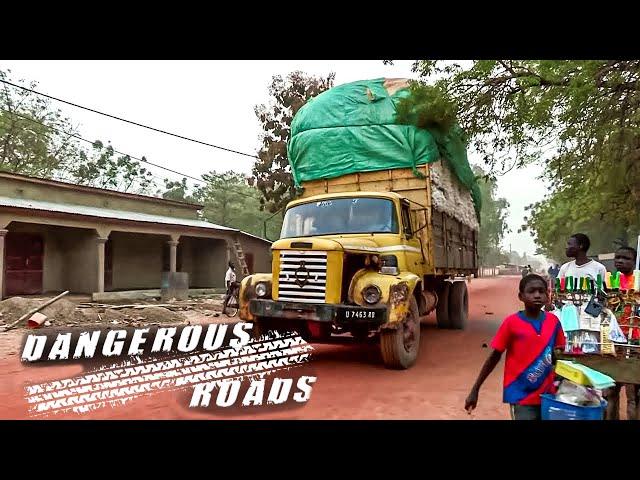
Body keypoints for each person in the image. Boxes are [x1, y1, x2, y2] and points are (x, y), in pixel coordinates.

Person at [464, 274, 566, 420]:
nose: (537, 295)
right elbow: (494, 356)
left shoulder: (553, 321)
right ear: (521, 296)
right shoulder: (511, 323)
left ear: (547, 295)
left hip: (548, 395)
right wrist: (475, 389)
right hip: (521, 395)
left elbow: (558, 355)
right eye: (531, 291)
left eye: (541, 291)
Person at [604, 246, 640, 420]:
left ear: (635, 262)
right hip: (613, 342)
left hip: (634, 342)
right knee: (609, 391)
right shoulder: (610, 282)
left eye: (626, 258)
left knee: (633, 394)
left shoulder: (638, 281)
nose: (620, 261)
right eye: (617, 257)